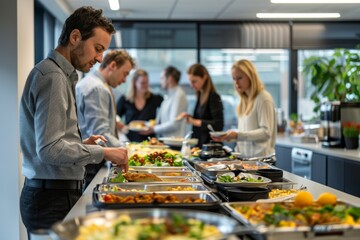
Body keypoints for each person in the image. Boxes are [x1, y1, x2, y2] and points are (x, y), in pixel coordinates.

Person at [19, 6, 128, 237]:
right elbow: (49, 149)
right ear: (75, 37)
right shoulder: (54, 77)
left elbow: (55, 140)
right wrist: (103, 152)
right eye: (97, 49)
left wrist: (81, 143)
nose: (100, 58)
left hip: (52, 195)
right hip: (51, 199)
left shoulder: (58, 74)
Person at [76, 49, 135, 186]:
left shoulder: (91, 83)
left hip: (88, 158)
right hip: (91, 163)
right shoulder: (97, 88)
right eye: (125, 74)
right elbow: (99, 133)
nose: (125, 80)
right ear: (113, 66)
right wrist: (128, 151)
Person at [211, 59, 276, 157]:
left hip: (261, 162)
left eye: (240, 78)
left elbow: (266, 133)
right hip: (245, 160)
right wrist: (230, 137)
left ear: (250, 76)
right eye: (234, 79)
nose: (236, 82)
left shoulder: (263, 98)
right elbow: (248, 131)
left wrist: (237, 135)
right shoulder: (244, 100)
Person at [178, 63, 224, 147]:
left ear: (205, 77)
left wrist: (194, 121)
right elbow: (204, 118)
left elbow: (218, 125)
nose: (191, 85)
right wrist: (190, 117)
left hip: (211, 146)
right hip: (200, 144)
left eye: (194, 81)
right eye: (190, 82)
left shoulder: (213, 97)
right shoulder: (200, 95)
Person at [140, 66, 188, 138]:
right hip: (168, 140)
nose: (161, 81)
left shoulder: (179, 95)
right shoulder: (169, 95)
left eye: (162, 78)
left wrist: (153, 129)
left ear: (170, 79)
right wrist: (146, 124)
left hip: (175, 142)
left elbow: (174, 124)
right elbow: (163, 121)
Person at [117, 69, 163, 142]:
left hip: (150, 142)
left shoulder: (155, 98)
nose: (145, 85)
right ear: (135, 83)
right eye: (142, 83)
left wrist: (156, 126)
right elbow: (115, 116)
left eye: (146, 82)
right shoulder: (125, 99)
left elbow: (166, 113)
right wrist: (122, 126)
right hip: (129, 141)